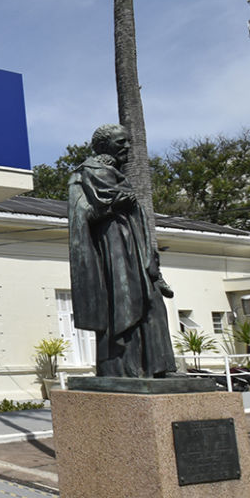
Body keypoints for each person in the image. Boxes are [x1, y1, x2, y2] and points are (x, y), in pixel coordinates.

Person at [68, 124, 177, 378]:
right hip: (112, 247)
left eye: (128, 142)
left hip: (135, 247)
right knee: (122, 304)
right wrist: (112, 205)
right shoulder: (82, 175)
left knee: (153, 301)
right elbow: (79, 215)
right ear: (104, 146)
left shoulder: (115, 174)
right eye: (121, 143)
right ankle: (123, 369)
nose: (127, 147)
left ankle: (160, 368)